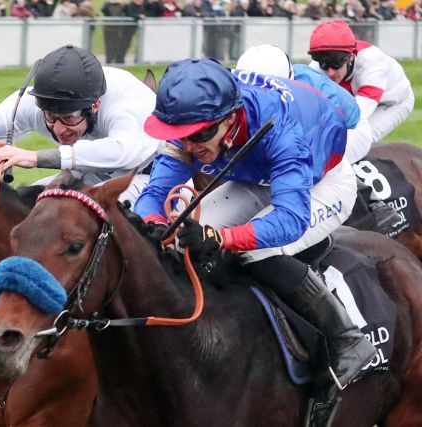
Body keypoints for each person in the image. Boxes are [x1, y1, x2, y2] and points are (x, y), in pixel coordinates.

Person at [134, 57, 377, 390]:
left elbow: (290, 220)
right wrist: (154, 225)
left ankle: (348, 339)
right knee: (178, 244)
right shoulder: (191, 124)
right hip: (254, 177)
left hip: (321, 182)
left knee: (254, 251)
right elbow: (153, 195)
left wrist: (219, 237)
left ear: (230, 117)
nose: (189, 146)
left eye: (200, 135)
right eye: (181, 136)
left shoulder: (282, 131)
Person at [0, 45, 160, 204]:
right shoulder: (36, 102)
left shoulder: (128, 101)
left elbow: (125, 152)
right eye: (50, 117)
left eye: (69, 118)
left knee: (77, 212)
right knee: (21, 205)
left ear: (95, 105)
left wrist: (35, 157)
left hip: (155, 177)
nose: (59, 130)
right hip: (91, 171)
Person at [235, 44, 400, 235]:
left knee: (322, 161)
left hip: (350, 127)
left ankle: (374, 204)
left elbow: (352, 116)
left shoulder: (312, 87)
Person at [308, 20, 414, 157]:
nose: (330, 72)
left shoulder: (372, 62)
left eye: (336, 64)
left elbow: (356, 115)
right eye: (324, 65)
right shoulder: (315, 68)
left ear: (350, 57)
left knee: (357, 140)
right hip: (356, 100)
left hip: (394, 102)